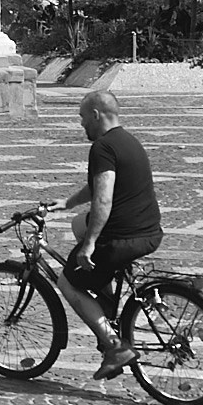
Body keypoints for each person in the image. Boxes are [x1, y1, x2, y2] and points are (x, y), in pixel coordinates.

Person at [56, 86, 162, 381]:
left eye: (81, 117)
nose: (80, 124)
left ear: (95, 115)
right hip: (149, 232)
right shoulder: (128, 141)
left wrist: (88, 245)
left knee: (67, 282)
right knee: (78, 223)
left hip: (121, 239)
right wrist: (67, 203)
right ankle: (104, 298)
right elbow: (100, 186)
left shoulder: (101, 148)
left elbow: (103, 199)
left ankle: (114, 345)